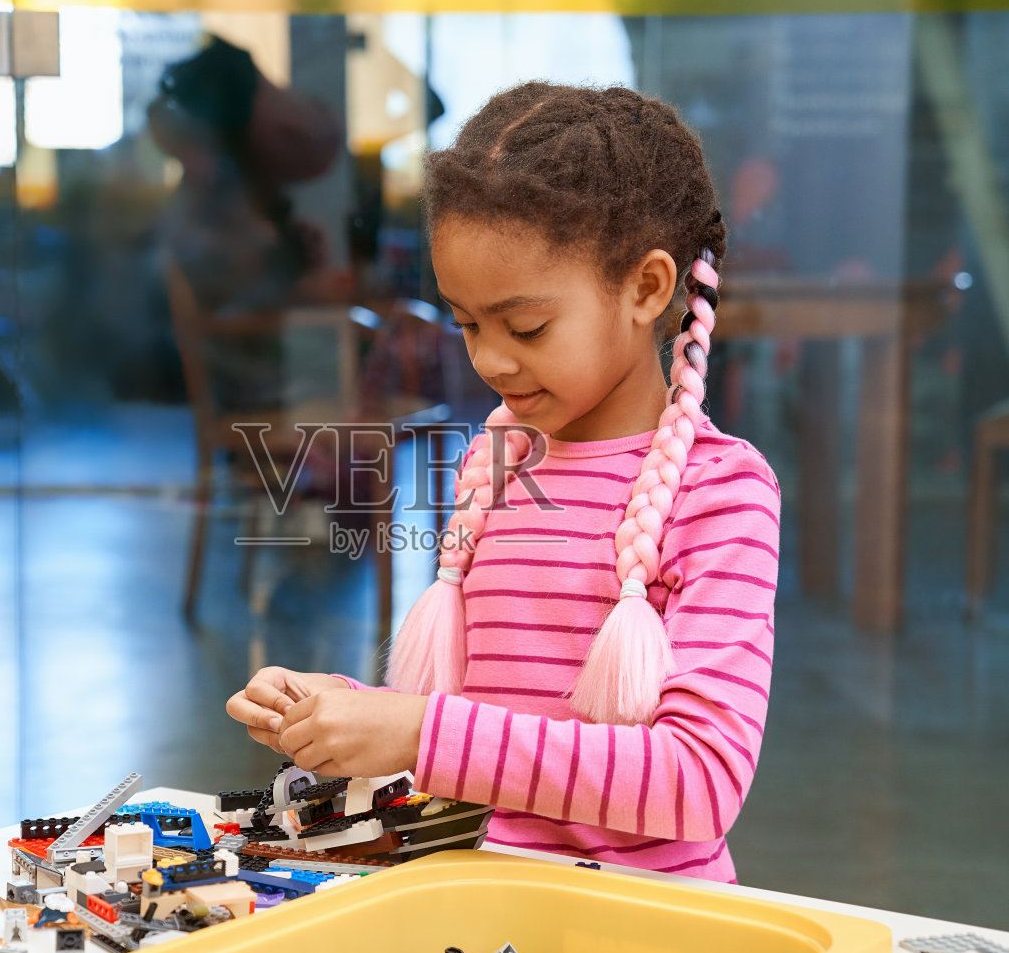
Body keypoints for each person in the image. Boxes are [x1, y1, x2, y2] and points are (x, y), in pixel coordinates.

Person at [225, 82, 781, 881]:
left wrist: (416, 731)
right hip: (473, 897)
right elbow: (486, 722)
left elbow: (699, 783)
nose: (489, 359)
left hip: (637, 921)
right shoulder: (495, 463)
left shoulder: (721, 494)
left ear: (647, 288)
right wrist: (338, 710)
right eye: (467, 322)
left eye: (526, 327)